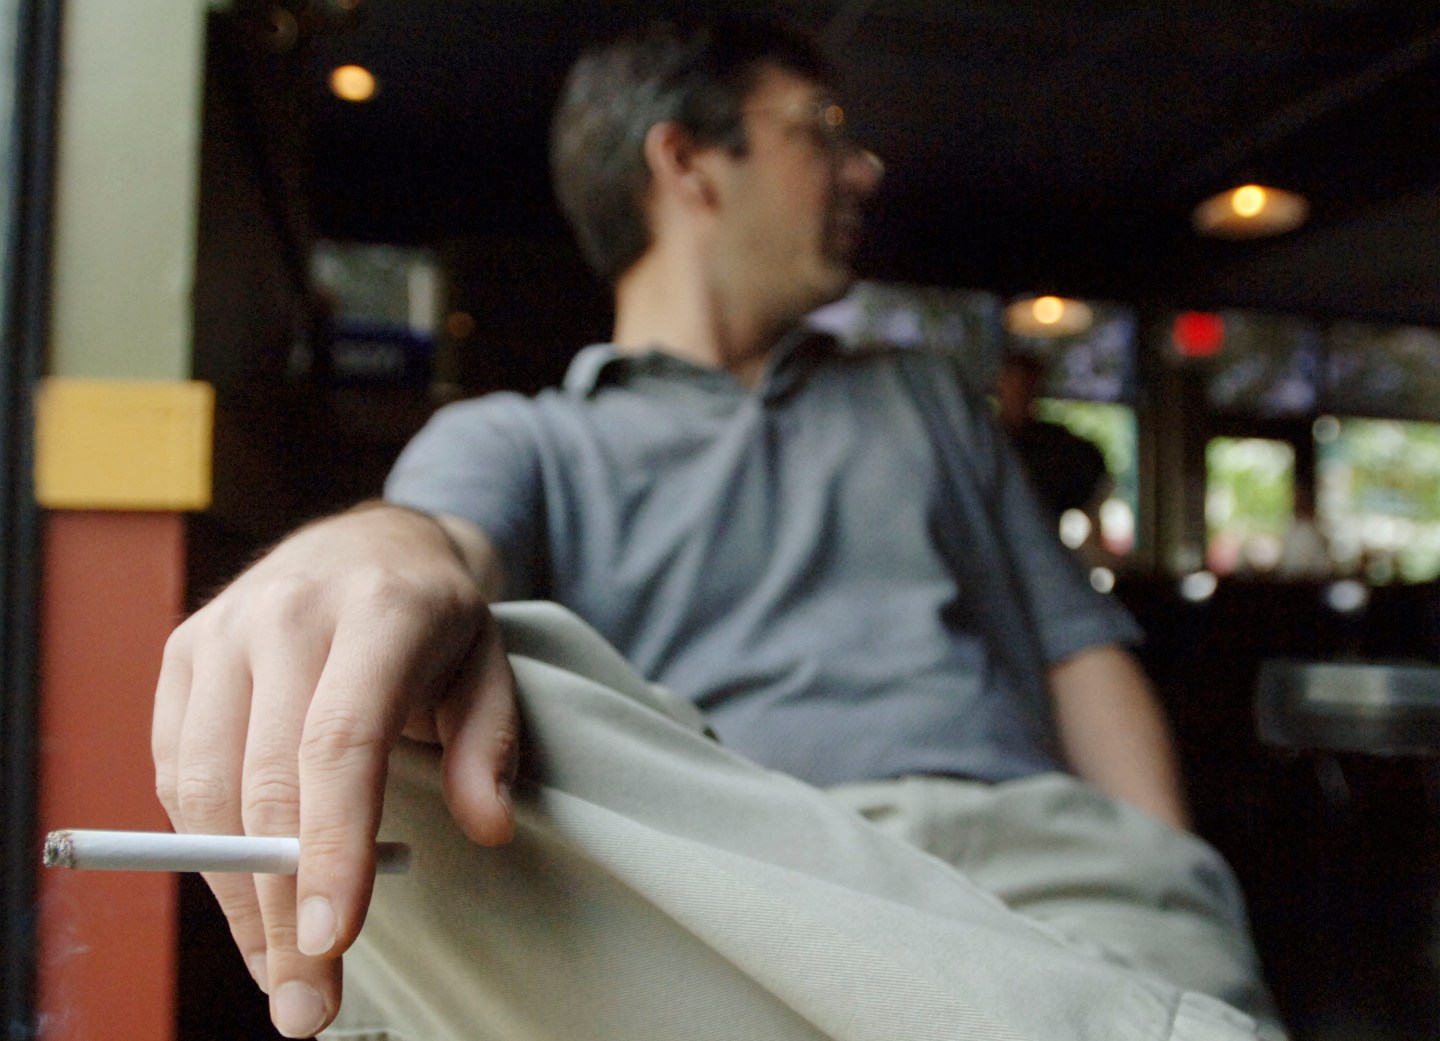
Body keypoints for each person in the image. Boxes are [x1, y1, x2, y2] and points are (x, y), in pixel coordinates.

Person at [152, 16, 1281, 1040]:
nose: (862, 166)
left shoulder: (926, 400)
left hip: (1029, 868)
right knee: (433, 674)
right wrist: (364, 559)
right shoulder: (527, 438)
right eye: (817, 129)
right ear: (685, 162)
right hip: (741, 890)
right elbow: (430, 537)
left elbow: (1077, 649)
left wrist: (1166, 861)